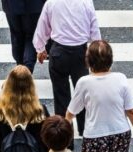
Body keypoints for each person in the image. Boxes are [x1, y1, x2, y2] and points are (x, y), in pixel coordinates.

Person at [33, 0, 101, 135]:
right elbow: (94, 29)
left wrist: (40, 48)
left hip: (59, 51)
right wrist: (96, 50)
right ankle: (84, 130)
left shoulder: (51, 3)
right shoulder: (86, 2)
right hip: (80, 54)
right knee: (82, 93)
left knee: (60, 95)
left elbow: (42, 28)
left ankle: (64, 135)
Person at [2, 0, 44, 71]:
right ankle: (27, 69)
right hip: (35, 5)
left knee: (17, 35)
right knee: (31, 37)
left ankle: (20, 68)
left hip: (11, 5)